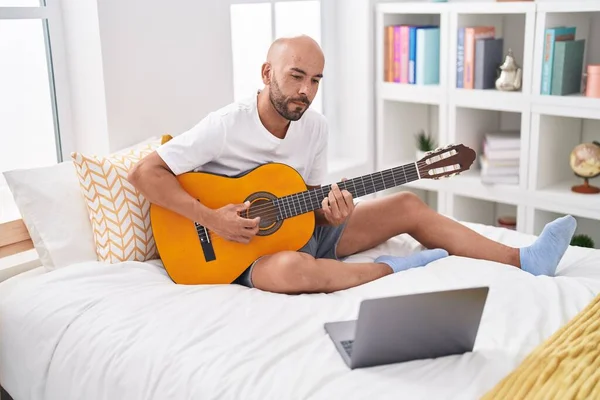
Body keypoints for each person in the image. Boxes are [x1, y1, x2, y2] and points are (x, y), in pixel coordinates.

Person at [128, 35, 577, 294]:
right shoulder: (226, 125)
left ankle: (524, 259)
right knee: (289, 270)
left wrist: (331, 211)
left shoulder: (315, 126)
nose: (305, 90)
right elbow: (144, 173)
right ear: (267, 75)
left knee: (404, 202)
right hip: (237, 254)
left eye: (316, 80)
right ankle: (392, 269)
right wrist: (212, 219)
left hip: (300, 231)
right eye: (296, 76)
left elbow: (314, 204)